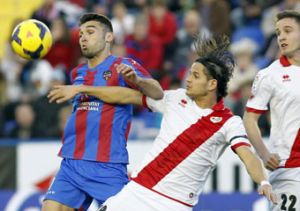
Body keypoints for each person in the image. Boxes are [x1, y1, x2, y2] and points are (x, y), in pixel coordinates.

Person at [48, 35, 277, 211]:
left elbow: (248, 156)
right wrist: (83, 89)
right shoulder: (175, 98)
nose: (188, 78)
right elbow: (130, 96)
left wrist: (263, 182)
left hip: (174, 204)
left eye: (196, 76)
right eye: (189, 73)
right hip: (137, 192)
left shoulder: (229, 122)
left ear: (212, 84)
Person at [42, 13, 163, 211]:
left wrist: (138, 81)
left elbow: (157, 93)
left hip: (107, 165)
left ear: (109, 37)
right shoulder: (77, 73)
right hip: (71, 162)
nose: (83, 37)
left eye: (90, 32)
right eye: (81, 34)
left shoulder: (123, 66)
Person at [243, 10, 300, 211]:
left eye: (288, 30)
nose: (282, 37)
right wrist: (264, 153)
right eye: (278, 33)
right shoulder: (269, 75)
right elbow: (249, 119)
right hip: (288, 170)